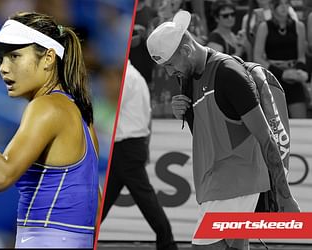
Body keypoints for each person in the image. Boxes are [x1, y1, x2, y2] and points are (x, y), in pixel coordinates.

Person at [0, 12, 99, 248]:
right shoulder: (81, 115)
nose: (3, 68)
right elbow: (96, 204)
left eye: (15, 56)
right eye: (2, 59)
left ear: (48, 58)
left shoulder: (46, 107)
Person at [147, 10, 300, 250]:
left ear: (186, 51)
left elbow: (266, 139)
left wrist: (285, 195)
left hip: (235, 183)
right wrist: (185, 113)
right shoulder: (186, 77)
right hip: (216, 183)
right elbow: (207, 136)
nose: (169, 72)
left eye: (169, 65)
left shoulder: (229, 74)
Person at [100, 60, 178, 250]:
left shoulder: (126, 77)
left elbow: (110, 106)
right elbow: (148, 115)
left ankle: (167, 243)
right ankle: (167, 242)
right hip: (131, 145)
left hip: (125, 146)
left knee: (143, 198)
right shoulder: (136, 76)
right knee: (106, 200)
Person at [254, 0, 309, 118]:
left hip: (293, 77)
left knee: (300, 119)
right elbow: (257, 57)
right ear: (273, 7)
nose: (284, 7)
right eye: (280, 4)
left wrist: (299, 71)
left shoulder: (299, 26)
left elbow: (301, 57)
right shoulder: (265, 27)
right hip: (273, 77)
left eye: (286, 3)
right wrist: (282, 73)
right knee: (276, 121)